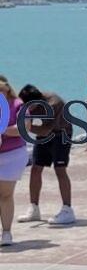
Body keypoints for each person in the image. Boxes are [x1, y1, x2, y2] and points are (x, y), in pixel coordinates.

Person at [17, 85, 75, 225]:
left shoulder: (54, 103)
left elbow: (45, 131)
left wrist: (25, 128)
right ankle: (34, 208)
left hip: (61, 134)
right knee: (36, 168)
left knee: (60, 170)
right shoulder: (27, 104)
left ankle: (67, 210)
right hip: (44, 135)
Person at [0, 77, 28, 246]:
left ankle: (6, 232)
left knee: (5, 195)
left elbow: (23, 129)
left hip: (12, 155)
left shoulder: (18, 105)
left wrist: (3, 131)